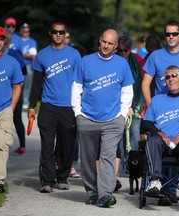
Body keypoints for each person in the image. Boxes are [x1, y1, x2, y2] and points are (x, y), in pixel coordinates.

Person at [141, 20, 179, 205]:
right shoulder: (155, 56)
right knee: (157, 142)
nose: (171, 37)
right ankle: (164, 189)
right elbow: (145, 83)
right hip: (162, 110)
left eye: (174, 34)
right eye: (167, 34)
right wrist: (153, 105)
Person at [71, 28, 134, 207]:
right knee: (88, 158)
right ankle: (92, 192)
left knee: (108, 157)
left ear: (115, 46)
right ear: (100, 41)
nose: (106, 46)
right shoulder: (86, 61)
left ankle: (105, 194)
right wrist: (78, 113)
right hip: (87, 118)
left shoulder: (122, 64)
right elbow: (76, 88)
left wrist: (121, 115)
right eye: (104, 42)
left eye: (110, 44)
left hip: (113, 120)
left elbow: (127, 90)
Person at [27, 21, 81, 193]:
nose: (58, 34)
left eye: (61, 32)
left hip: (68, 107)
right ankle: (47, 180)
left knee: (66, 146)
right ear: (50, 33)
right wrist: (31, 106)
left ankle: (62, 177)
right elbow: (36, 83)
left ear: (66, 34)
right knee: (47, 145)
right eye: (55, 32)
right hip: (48, 106)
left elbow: (80, 82)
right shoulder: (42, 55)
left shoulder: (74, 55)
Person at [0, 26, 24, 193]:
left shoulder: (12, 62)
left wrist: (11, 108)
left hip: (3, 110)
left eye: (1, 39)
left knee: (2, 145)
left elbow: (17, 86)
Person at [116, 35, 144, 178]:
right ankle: (119, 169)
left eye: (125, 50)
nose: (122, 53)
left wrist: (139, 107)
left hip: (135, 105)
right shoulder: (113, 62)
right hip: (117, 106)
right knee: (118, 137)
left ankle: (133, 167)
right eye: (119, 50)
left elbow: (142, 84)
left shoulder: (138, 61)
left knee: (134, 137)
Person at [4, 29, 28, 155]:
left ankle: (23, 146)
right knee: (16, 119)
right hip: (6, 91)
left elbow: (24, 70)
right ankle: (22, 146)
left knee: (16, 118)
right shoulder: (14, 53)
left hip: (14, 90)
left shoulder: (14, 54)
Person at [63, 30, 80, 179]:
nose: (64, 39)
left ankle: (72, 165)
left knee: (73, 136)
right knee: (61, 136)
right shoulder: (55, 55)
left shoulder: (75, 54)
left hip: (73, 101)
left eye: (67, 37)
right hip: (59, 101)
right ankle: (59, 163)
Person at [19, 23, 37, 109]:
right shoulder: (18, 40)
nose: (26, 33)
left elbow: (33, 54)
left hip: (29, 65)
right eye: (24, 31)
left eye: (28, 31)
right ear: (21, 31)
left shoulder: (32, 41)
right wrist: (26, 55)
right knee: (18, 84)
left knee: (27, 85)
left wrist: (27, 55)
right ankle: (18, 101)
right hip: (19, 65)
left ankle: (25, 102)